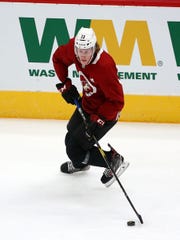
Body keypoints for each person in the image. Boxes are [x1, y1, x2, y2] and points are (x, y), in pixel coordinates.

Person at [52, 27, 128, 187]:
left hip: (106, 114)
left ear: (94, 48)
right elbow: (58, 58)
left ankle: (113, 160)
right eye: (80, 50)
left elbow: (117, 101)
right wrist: (65, 83)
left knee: (74, 150)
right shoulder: (74, 49)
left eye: (87, 51)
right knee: (69, 137)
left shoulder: (104, 65)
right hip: (88, 105)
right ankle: (80, 163)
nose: (82, 55)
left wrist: (99, 118)